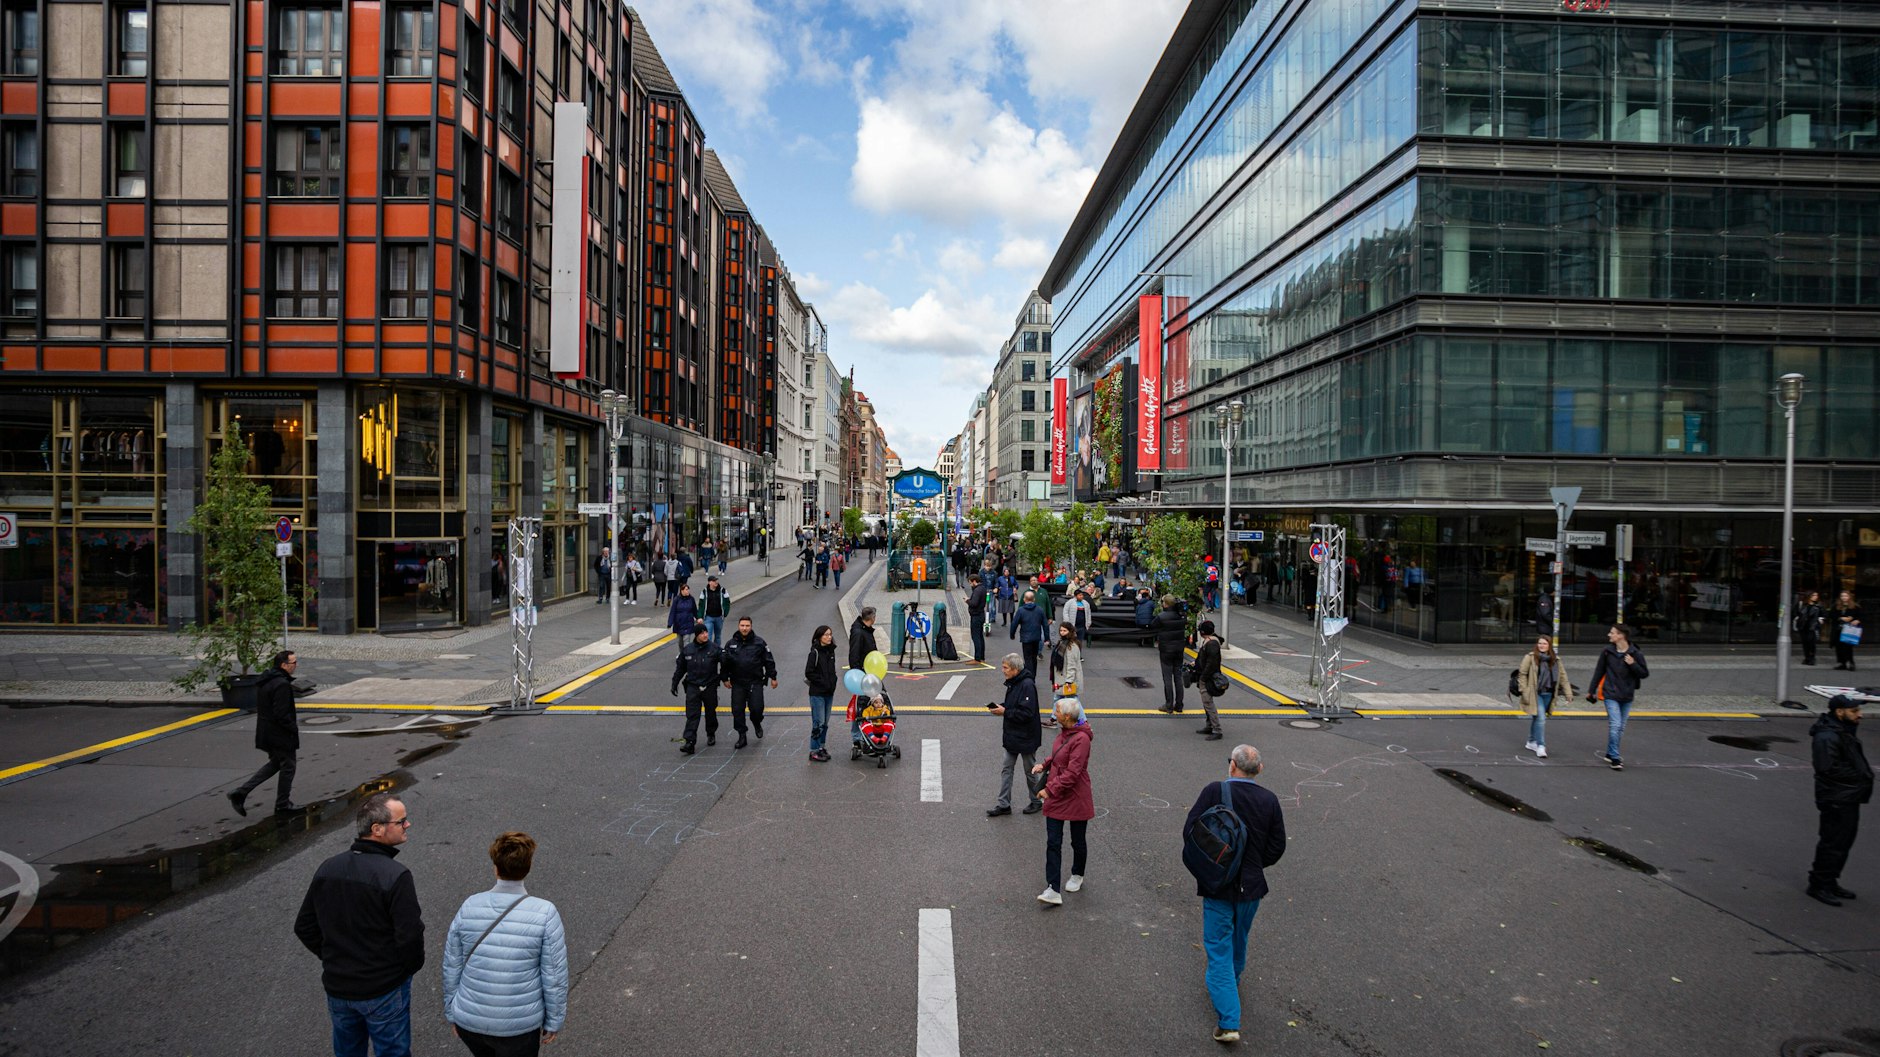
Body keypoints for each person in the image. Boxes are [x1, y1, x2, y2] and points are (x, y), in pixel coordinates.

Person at [294, 792, 424, 1057]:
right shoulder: (395, 876)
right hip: (383, 988)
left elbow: (305, 926)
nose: (407, 825)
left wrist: (333, 957)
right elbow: (409, 936)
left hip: (339, 986)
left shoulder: (328, 868)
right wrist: (404, 969)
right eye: (401, 821)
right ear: (377, 829)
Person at [1184, 744, 1287, 1045]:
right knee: (1239, 939)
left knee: (1217, 947)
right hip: (1251, 887)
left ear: (1232, 766)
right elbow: (1276, 846)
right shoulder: (1269, 800)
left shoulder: (1214, 791)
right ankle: (1232, 981)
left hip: (1218, 884)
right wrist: (1254, 865)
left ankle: (1228, 1021)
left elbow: (1191, 830)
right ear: (1260, 770)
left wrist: (1211, 866)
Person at [442, 832, 569, 1056]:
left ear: (496, 868)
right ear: (528, 867)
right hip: (519, 1027)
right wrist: (554, 1019)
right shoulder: (545, 912)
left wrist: (453, 1011)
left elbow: (452, 964)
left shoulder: (470, 905)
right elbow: (554, 975)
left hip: (470, 1021)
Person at [1807, 695, 1871, 906]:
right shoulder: (1827, 736)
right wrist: (1860, 776)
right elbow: (1827, 768)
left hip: (1846, 795)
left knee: (1843, 841)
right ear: (1839, 712)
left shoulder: (1841, 731)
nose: (1859, 715)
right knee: (1833, 842)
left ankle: (1830, 881)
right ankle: (1819, 885)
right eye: (1854, 711)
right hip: (1836, 797)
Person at [1030, 698, 1094, 907]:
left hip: (1074, 795)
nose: (1053, 713)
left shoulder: (1082, 739)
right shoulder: (1064, 732)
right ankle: (1053, 888)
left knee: (1077, 841)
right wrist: (1045, 764)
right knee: (1053, 842)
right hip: (1058, 793)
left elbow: (1073, 773)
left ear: (1067, 716)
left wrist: (1049, 789)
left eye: (1056, 710)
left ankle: (1077, 873)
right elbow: (1059, 754)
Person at [229, 649, 301, 817]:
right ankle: (282, 805)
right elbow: (281, 714)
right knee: (288, 767)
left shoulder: (268, 679)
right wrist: (293, 728)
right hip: (279, 735)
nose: (296, 666)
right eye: (294, 663)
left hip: (266, 732)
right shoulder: (281, 684)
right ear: (284, 665)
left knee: (277, 763)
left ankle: (240, 793)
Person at [987, 653, 1043, 818]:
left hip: (1026, 736)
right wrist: (1002, 707)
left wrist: (1005, 711)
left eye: (1005, 667)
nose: (1002, 670)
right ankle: (1004, 804)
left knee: (1030, 771)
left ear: (1015, 669)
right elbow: (1015, 706)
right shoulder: (1015, 682)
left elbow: (1027, 712)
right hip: (1013, 734)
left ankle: (1036, 800)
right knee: (1007, 769)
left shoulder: (1027, 685)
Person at [1586, 623, 1649, 771]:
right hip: (1610, 693)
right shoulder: (1607, 652)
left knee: (1620, 727)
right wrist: (1591, 690)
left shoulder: (1635, 653)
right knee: (1615, 724)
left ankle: (1609, 752)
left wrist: (1633, 664)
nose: (1609, 635)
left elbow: (1644, 674)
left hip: (1627, 695)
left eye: (1612, 633)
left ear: (1621, 635)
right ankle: (1615, 757)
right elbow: (1599, 671)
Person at [721, 616, 778, 749]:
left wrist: (773, 677)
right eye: (742, 625)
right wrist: (724, 678)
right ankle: (742, 735)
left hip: (755, 681)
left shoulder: (760, 643)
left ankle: (756, 722)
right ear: (738, 626)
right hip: (738, 683)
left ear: (751, 626)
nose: (744, 628)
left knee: (757, 709)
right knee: (737, 710)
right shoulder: (730, 644)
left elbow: (768, 660)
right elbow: (724, 663)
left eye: (747, 626)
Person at [1516, 635, 1573, 760]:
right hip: (1535, 692)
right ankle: (1541, 746)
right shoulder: (1530, 657)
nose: (1541, 645)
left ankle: (1531, 741)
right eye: (1539, 643)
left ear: (1549, 646)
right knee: (1541, 718)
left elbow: (1563, 677)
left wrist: (1568, 693)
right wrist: (1524, 690)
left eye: (1544, 643)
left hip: (1549, 693)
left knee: (1537, 717)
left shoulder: (1556, 660)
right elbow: (1522, 674)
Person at [670, 624, 723, 754]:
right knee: (692, 715)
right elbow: (680, 668)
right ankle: (690, 742)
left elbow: (726, 663)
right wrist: (674, 683)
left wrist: (725, 678)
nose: (705, 635)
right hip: (693, 686)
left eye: (706, 632)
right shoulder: (688, 650)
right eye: (702, 633)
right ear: (696, 635)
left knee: (710, 712)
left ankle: (711, 733)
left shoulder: (714, 649)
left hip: (709, 685)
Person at [804, 625, 838, 762]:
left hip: (829, 692)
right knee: (818, 722)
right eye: (825, 635)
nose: (829, 637)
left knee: (825, 723)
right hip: (817, 693)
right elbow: (809, 672)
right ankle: (814, 750)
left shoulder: (831, 652)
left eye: (830, 634)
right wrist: (823, 682)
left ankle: (821, 747)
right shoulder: (814, 653)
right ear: (819, 637)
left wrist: (833, 682)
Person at [1153, 595, 1189, 714]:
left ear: (1166, 604)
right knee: (1178, 677)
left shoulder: (1161, 617)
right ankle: (1179, 705)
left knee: (1167, 677)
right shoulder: (1182, 616)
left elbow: (1153, 625)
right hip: (1179, 648)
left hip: (1166, 649)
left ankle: (1169, 705)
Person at [848, 607, 879, 745]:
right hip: (863, 674)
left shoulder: (863, 630)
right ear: (872, 618)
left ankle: (867, 732)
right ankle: (857, 736)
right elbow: (854, 655)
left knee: (868, 704)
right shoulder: (859, 632)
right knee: (861, 705)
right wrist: (858, 675)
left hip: (868, 673)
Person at [1193, 620, 1224, 741]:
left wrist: (1203, 677)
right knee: (1206, 702)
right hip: (1206, 676)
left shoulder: (1211, 644)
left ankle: (1217, 729)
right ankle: (1209, 725)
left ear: (1202, 632)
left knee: (1208, 703)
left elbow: (1211, 663)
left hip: (1208, 677)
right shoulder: (1210, 641)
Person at [1049, 621, 1084, 702]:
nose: (1062, 633)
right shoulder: (1061, 642)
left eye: (1065, 631)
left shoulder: (1071, 646)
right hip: (1061, 679)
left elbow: (1072, 665)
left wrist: (1069, 681)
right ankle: (1055, 715)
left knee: (1071, 703)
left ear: (1070, 631)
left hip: (1067, 680)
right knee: (1062, 702)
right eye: (1061, 630)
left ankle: (1081, 715)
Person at [1832, 590, 1864, 672]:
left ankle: (1851, 663)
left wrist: (1857, 620)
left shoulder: (1855, 606)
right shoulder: (1836, 606)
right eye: (1842, 596)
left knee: (1848, 647)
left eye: (1845, 596)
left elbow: (1861, 616)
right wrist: (1840, 618)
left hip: (1849, 630)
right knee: (1839, 647)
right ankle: (1842, 663)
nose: (1844, 598)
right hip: (1839, 629)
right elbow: (1831, 615)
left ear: (1849, 597)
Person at [699, 574, 731, 647]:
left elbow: (727, 602)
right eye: (714, 581)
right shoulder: (704, 591)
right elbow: (700, 604)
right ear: (709, 582)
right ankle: (709, 651)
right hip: (708, 617)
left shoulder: (723, 590)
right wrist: (700, 616)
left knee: (718, 636)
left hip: (719, 617)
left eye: (716, 580)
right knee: (708, 635)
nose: (716, 582)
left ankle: (717, 650)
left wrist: (725, 613)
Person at [965, 575, 990, 663]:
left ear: (974, 581)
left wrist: (967, 600)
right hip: (980, 614)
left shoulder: (977, 590)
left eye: (970, 582)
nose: (970, 585)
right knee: (980, 636)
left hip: (976, 616)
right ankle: (981, 657)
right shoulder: (982, 588)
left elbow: (974, 603)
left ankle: (977, 658)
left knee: (975, 637)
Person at [1796, 590, 1825, 666]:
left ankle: (1812, 658)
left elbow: (1823, 615)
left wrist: (1821, 620)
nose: (1816, 597)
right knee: (1805, 643)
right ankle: (1807, 658)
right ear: (1809, 596)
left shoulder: (1818, 606)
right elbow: (1796, 613)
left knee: (1812, 643)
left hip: (1813, 627)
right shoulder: (1802, 604)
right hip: (1803, 626)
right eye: (1814, 595)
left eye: (1816, 595)